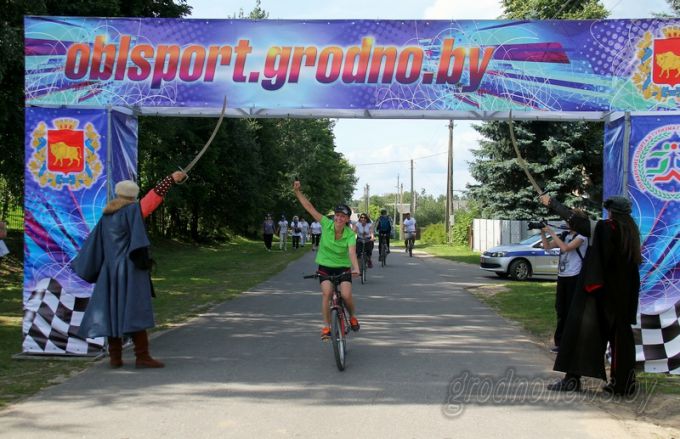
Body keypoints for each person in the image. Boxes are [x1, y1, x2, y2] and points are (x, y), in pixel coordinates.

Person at [71, 171, 187, 369]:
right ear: (133, 196)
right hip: (130, 270)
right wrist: (170, 179)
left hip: (109, 273)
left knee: (112, 312)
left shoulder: (107, 216)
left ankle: (115, 358)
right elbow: (152, 200)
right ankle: (142, 357)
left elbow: (94, 246)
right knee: (135, 311)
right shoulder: (132, 211)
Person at [540, 194, 641, 395]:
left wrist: (552, 203)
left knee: (579, 333)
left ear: (612, 211)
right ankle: (624, 385)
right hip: (622, 297)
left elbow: (578, 223)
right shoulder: (631, 232)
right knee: (621, 340)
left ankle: (572, 380)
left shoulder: (608, 227)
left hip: (599, 295)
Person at [293, 180, 361, 340]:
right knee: (327, 293)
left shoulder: (350, 235)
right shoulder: (326, 223)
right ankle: (326, 327)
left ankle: (352, 317)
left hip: (343, 268)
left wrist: (356, 268)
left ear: (346, 220)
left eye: (342, 216)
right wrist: (297, 192)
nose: (338, 218)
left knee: (346, 295)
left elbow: (352, 252)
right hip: (325, 266)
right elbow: (309, 208)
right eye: (337, 215)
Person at [539, 216, 588, 354]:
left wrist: (551, 232)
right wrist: (542, 232)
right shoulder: (565, 235)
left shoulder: (582, 236)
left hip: (575, 276)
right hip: (563, 276)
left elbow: (566, 248)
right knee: (560, 309)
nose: (566, 223)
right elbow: (547, 247)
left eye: (568, 221)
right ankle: (560, 342)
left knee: (570, 310)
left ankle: (571, 342)